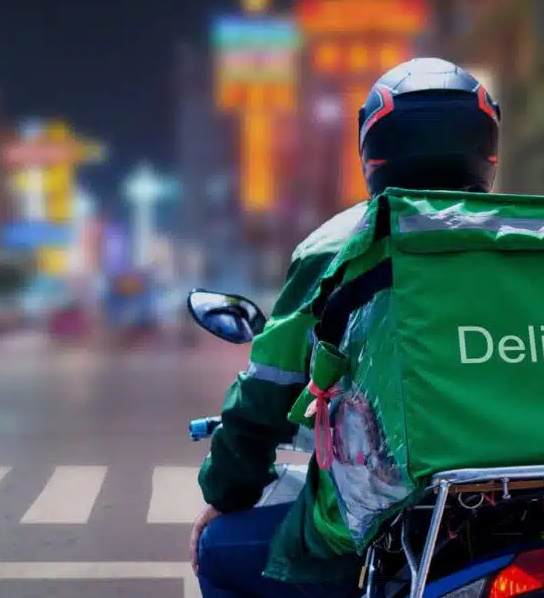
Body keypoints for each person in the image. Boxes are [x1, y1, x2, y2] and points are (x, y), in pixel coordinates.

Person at [192, 58, 502, 598]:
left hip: (388, 523)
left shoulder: (338, 246)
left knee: (218, 548)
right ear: (485, 146)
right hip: (527, 509)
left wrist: (227, 491)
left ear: (373, 147)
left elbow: (267, 394)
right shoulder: (528, 240)